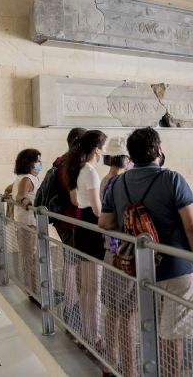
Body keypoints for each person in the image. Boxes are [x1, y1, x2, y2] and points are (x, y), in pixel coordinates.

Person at [99, 127, 193, 377]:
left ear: (131, 155)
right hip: (176, 269)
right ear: (159, 150)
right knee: (172, 335)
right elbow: (192, 228)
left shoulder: (118, 182)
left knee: (148, 327)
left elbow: (104, 223)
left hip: (140, 269)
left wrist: (130, 227)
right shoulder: (172, 179)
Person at [65, 129, 108, 345]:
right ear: (97, 149)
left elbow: (77, 200)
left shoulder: (79, 169)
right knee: (94, 288)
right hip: (92, 226)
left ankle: (87, 332)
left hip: (82, 228)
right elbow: (97, 208)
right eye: (103, 146)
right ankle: (93, 335)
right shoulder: (90, 171)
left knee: (86, 289)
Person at [98, 138, 135, 377]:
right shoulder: (122, 182)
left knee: (113, 310)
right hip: (124, 252)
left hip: (110, 252)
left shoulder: (105, 180)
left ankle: (110, 362)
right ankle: (130, 370)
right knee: (128, 313)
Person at [47, 127, 86, 330]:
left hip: (65, 220)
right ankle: (71, 309)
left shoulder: (60, 161)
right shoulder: (71, 165)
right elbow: (76, 199)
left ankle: (72, 307)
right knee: (72, 265)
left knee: (71, 263)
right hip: (71, 221)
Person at [5, 148, 42, 302]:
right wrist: (27, 203)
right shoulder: (27, 179)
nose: (40, 163)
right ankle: (32, 293)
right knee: (30, 258)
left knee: (30, 257)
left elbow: (8, 190)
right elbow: (20, 196)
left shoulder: (21, 178)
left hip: (26, 223)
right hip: (29, 224)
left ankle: (33, 291)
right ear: (30, 163)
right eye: (38, 160)